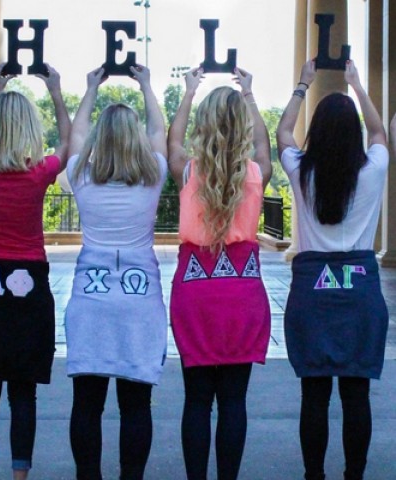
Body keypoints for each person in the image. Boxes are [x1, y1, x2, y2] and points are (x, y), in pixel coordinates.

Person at [276, 60, 389, 480]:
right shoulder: (373, 171)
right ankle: (354, 475)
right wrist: (357, 86)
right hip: (360, 292)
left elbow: (282, 133)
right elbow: (379, 134)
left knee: (315, 395)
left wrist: (303, 84)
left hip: (312, 291)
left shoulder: (301, 171)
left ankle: (314, 475)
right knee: (356, 395)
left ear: (317, 132)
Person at [0, 63, 70, 480]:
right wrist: (56, 92)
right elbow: (69, 143)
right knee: (24, 394)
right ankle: (20, 475)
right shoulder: (39, 174)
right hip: (30, 284)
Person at [167, 67, 272, 480]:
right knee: (233, 401)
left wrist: (188, 92)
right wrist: (249, 95)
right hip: (242, 291)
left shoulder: (189, 171)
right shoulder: (254, 173)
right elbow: (264, 145)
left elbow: (173, 142)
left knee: (196, 400)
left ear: (204, 124)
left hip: (195, 289)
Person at [65, 64, 168, 480]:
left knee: (86, 404)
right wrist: (147, 84)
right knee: (136, 405)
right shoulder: (153, 176)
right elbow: (159, 130)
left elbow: (75, 134)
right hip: (140, 303)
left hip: (90, 301)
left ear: (98, 140)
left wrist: (90, 88)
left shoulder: (80, 176)